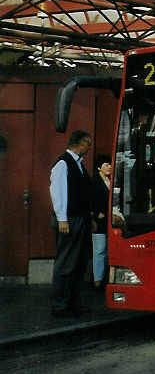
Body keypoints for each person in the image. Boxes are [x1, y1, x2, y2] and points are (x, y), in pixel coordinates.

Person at [49, 130, 93, 316]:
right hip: (69, 219)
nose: (89, 148)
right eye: (88, 144)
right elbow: (57, 192)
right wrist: (62, 219)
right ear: (80, 143)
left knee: (79, 263)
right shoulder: (63, 164)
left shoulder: (79, 165)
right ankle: (59, 305)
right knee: (66, 263)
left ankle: (73, 302)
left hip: (79, 219)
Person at [91, 154, 111, 289]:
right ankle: (97, 279)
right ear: (99, 168)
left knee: (110, 249)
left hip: (111, 220)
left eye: (110, 164)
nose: (109, 166)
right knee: (99, 250)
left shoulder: (112, 181)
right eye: (106, 165)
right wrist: (96, 214)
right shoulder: (94, 182)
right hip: (99, 221)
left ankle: (107, 278)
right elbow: (89, 199)